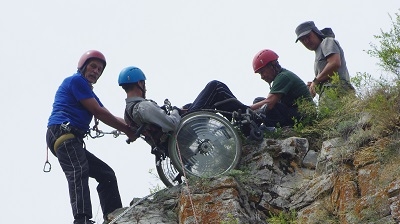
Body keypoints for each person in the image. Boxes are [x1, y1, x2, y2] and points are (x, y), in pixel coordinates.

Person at [46, 50, 137, 224]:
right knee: (79, 171)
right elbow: (100, 113)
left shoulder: (86, 90)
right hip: (63, 134)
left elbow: (106, 112)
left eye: (100, 69)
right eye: (93, 66)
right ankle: (82, 223)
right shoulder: (76, 81)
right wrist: (128, 130)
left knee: (106, 174)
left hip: (70, 139)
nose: (96, 71)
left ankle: (114, 217)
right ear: (83, 66)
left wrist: (135, 126)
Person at [184, 49, 314, 128]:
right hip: (293, 116)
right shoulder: (282, 77)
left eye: (263, 72)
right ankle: (190, 111)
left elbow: (270, 103)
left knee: (216, 86)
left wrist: (245, 110)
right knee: (258, 100)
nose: (262, 77)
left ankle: (189, 118)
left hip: (298, 118)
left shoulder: (284, 77)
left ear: (272, 66)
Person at [118, 66, 181, 147]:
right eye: (144, 84)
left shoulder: (127, 115)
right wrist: (176, 110)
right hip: (179, 140)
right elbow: (173, 124)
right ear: (140, 83)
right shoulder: (144, 107)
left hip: (165, 148)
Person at [295, 21, 354, 100]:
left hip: (336, 89)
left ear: (315, 32)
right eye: (302, 40)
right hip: (329, 93)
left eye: (308, 36)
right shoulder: (318, 52)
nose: (306, 41)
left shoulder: (327, 41)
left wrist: (315, 81)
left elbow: (334, 63)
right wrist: (314, 87)